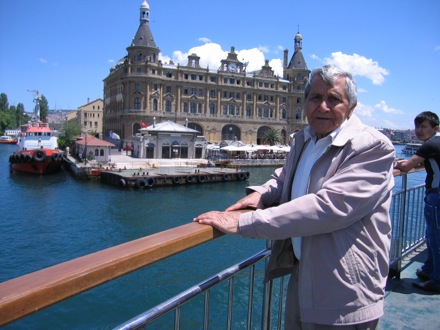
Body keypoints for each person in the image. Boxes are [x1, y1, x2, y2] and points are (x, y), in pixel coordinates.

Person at [194, 64, 395, 329]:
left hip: (346, 287)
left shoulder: (373, 146)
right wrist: (263, 193)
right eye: (315, 98)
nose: (323, 106)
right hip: (305, 274)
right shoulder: (306, 139)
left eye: (333, 99)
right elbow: (286, 175)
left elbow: (329, 207)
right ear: (304, 103)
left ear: (351, 106)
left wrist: (244, 223)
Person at [394, 111, 440, 293]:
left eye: (423, 127)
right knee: (432, 235)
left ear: (434, 128)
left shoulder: (431, 144)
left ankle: (436, 280)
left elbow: (406, 166)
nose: (418, 131)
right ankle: (429, 270)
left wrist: (398, 163)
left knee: (435, 239)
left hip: (436, 196)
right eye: (417, 126)